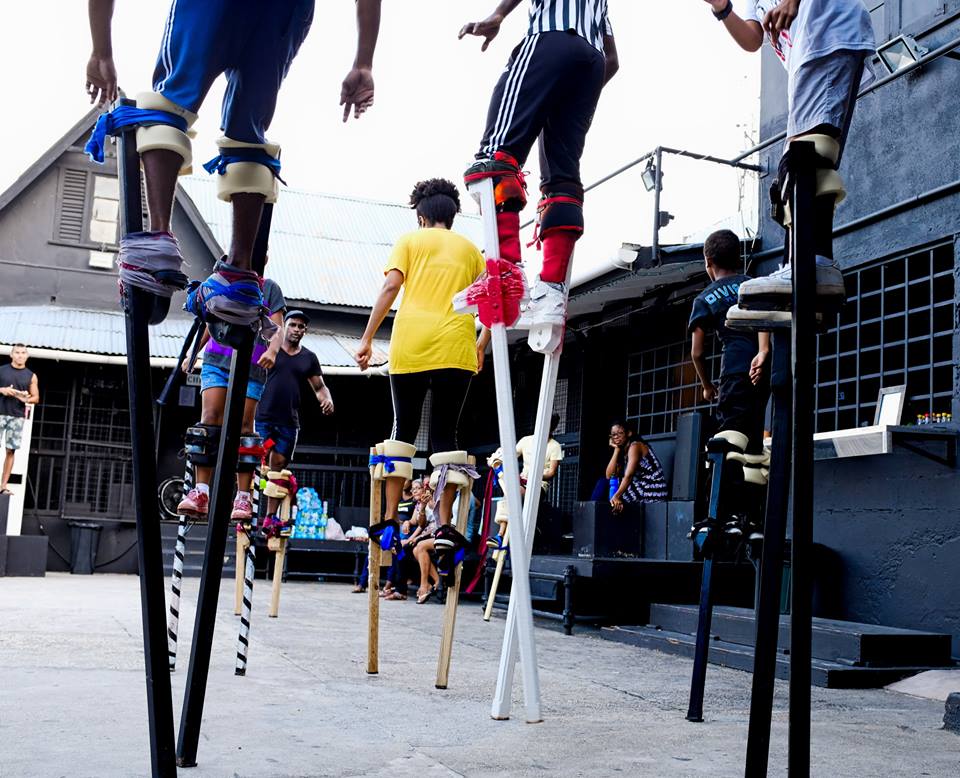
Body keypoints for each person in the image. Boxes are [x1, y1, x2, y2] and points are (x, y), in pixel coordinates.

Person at [84, 0, 381, 323]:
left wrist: (101, 50)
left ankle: (158, 239)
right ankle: (238, 275)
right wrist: (363, 61)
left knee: (170, 104)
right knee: (248, 132)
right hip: (284, 12)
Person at [456, 0, 619, 352]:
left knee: (494, 158)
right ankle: (551, 291)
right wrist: (571, 99)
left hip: (550, 38)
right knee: (562, 182)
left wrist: (497, 15)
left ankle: (507, 271)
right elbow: (613, 59)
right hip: (592, 63)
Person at [702, 0, 875, 323]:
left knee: (807, 155)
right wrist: (722, 9)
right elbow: (753, 39)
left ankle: (814, 264)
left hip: (828, 33)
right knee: (796, 171)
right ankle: (806, 269)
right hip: (809, 52)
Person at [356, 179, 484, 581]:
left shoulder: (409, 240)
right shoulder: (470, 250)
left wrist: (366, 338)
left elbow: (391, 285)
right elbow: (489, 302)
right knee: (447, 436)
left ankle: (391, 518)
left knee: (403, 429)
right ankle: (445, 526)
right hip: (457, 346)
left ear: (421, 215)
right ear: (452, 216)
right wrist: (481, 346)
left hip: (411, 342)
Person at [176, 276, 285, 520]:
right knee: (209, 418)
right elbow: (209, 320)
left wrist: (273, 350)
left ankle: (243, 497)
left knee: (245, 426)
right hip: (217, 360)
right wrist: (194, 352)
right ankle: (201, 492)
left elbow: (278, 327)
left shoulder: (269, 288)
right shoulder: (221, 280)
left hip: (252, 364)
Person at [690, 230, 771, 455]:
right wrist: (763, 351)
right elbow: (763, 316)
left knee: (730, 436)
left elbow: (697, 353)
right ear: (738, 259)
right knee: (754, 432)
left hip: (734, 369)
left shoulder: (704, 298)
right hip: (762, 369)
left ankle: (730, 485)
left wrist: (707, 386)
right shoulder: (753, 285)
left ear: (708, 261)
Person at [255, 309, 334, 534]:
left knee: (278, 468)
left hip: (289, 421)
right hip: (262, 417)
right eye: (293, 325)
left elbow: (319, 387)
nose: (297, 329)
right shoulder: (271, 349)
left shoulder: (308, 357)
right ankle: (248, 509)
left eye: (301, 327)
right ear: (284, 325)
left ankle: (270, 518)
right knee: (259, 464)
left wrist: (327, 400)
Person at [487, 412, 563, 550]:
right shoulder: (526, 440)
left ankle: (500, 536)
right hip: (520, 483)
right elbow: (509, 456)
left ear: (553, 427)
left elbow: (551, 472)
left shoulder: (554, 446)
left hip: (538, 486)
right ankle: (500, 536)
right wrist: (497, 458)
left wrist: (534, 475)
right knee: (510, 493)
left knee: (512, 492)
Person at [0, 345, 39, 495]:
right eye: (17, 352)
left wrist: (24, 397)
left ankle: (3, 486)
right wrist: (2, 390)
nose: (20, 355)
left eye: (23, 353)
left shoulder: (31, 375)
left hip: (16, 416)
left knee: (10, 451)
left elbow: (36, 398)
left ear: (27, 356)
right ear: (11, 354)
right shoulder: (2, 370)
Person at [605, 422, 667, 513]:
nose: (616, 437)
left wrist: (617, 496)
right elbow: (609, 476)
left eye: (620, 433)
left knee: (614, 495)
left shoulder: (635, 446)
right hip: (640, 486)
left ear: (629, 433)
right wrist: (616, 449)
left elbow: (629, 475)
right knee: (604, 484)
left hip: (653, 487)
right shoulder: (623, 450)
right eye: (614, 435)